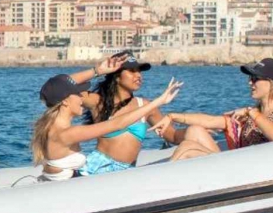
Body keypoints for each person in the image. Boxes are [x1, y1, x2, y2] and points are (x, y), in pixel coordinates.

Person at [32, 73, 182, 180]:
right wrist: (158, 101)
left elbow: (54, 87)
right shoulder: (66, 133)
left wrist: (98, 70)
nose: (81, 98)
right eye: (77, 94)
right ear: (65, 101)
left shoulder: (52, 127)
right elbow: (117, 124)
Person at [81, 55, 219, 171]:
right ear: (116, 76)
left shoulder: (145, 106)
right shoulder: (97, 101)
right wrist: (97, 71)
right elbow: (68, 88)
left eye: (139, 71)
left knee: (195, 132)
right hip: (98, 168)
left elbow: (172, 136)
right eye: (132, 71)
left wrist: (192, 130)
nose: (138, 75)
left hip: (127, 171)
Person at [168, 58, 273, 152]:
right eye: (250, 78)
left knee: (186, 148)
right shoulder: (247, 116)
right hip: (237, 168)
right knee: (194, 131)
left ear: (272, 84)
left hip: (259, 169)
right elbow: (210, 121)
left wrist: (251, 112)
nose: (250, 83)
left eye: (255, 79)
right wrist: (172, 116)